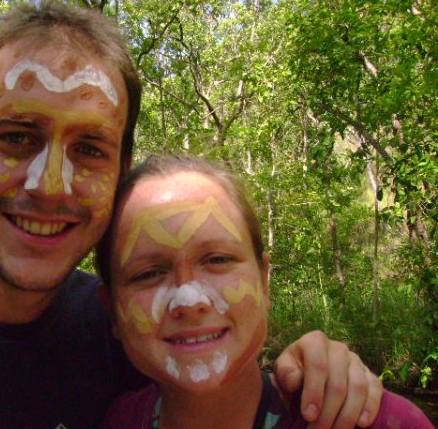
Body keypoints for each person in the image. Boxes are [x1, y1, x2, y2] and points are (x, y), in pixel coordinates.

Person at [0, 0, 381, 428]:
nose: (50, 185)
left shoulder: (123, 331)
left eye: (90, 149)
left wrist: (319, 367)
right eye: (18, 137)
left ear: (120, 174)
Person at [97, 155, 433, 429]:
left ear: (264, 279)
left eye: (217, 259)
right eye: (149, 274)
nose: (190, 300)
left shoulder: (374, 421)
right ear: (111, 309)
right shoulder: (115, 419)